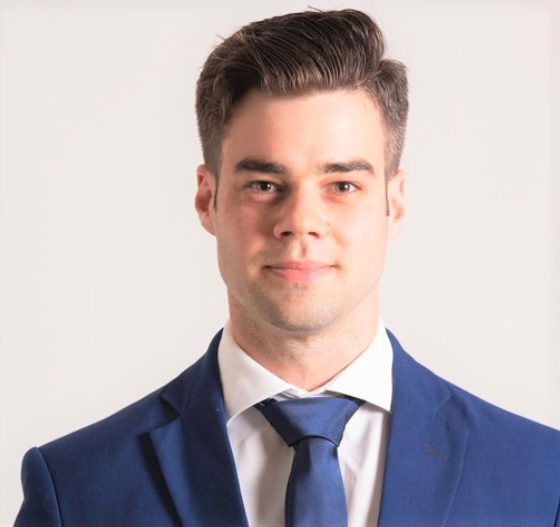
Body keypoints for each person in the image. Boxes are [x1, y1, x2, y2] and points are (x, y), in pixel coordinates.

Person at [14, 9, 560, 527]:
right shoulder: (75, 489)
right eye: (263, 184)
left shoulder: (542, 480)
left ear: (393, 204)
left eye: (342, 185)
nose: (300, 222)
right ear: (207, 199)